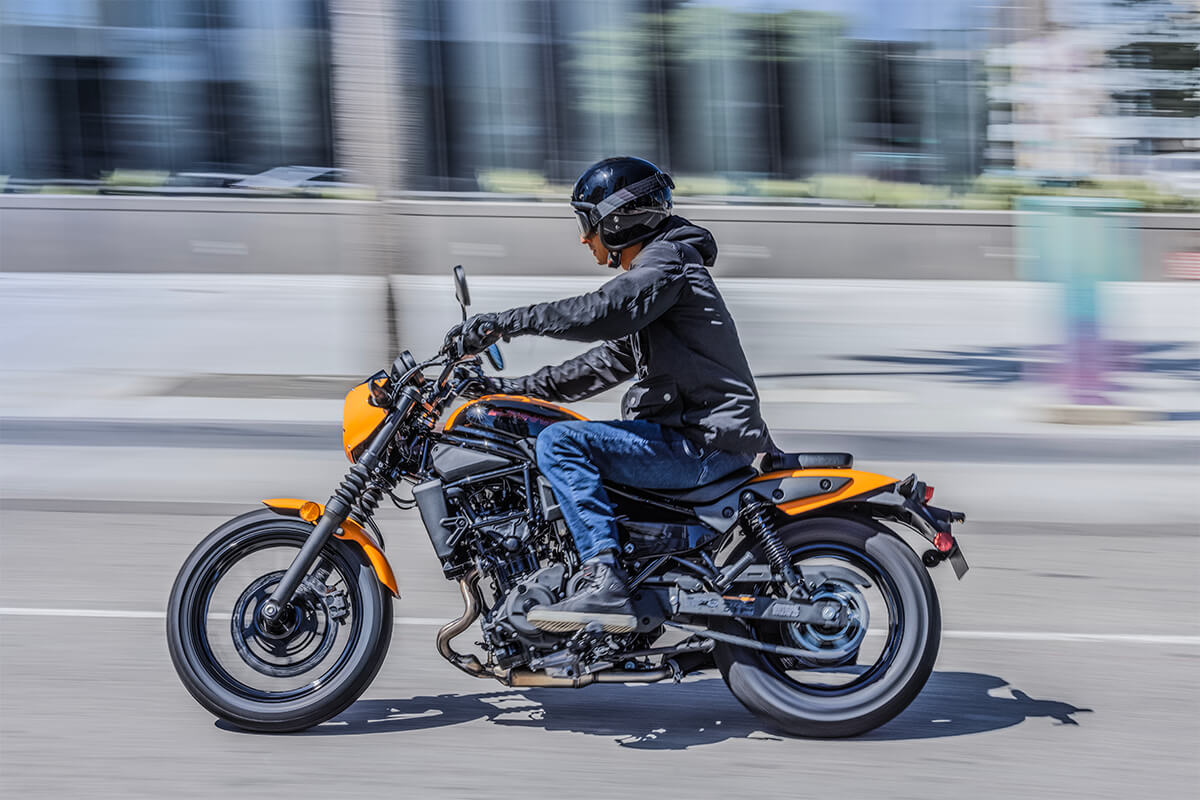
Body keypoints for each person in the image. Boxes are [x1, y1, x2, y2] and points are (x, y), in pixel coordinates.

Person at [445, 156, 772, 633]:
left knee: (559, 443)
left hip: (702, 443)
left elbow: (603, 309)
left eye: (587, 223)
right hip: (697, 438)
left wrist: (505, 323)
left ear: (618, 221)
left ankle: (604, 579)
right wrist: (502, 391)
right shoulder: (661, 276)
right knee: (556, 434)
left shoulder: (668, 263)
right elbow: (598, 366)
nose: (583, 237)